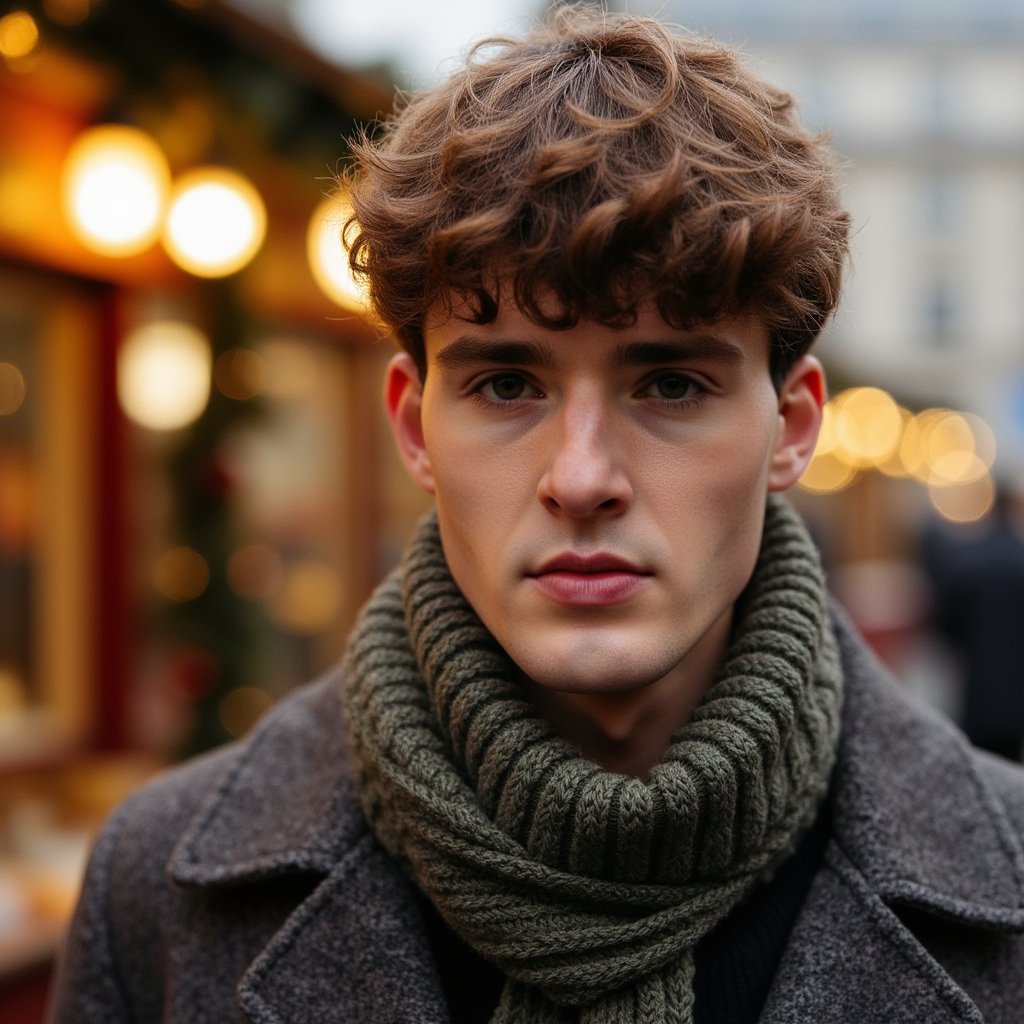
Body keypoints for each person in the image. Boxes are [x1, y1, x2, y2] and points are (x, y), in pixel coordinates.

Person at [48, 8, 1024, 1023]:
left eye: (673, 387)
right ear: (413, 429)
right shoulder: (154, 885)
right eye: (507, 385)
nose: (582, 476)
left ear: (791, 428)